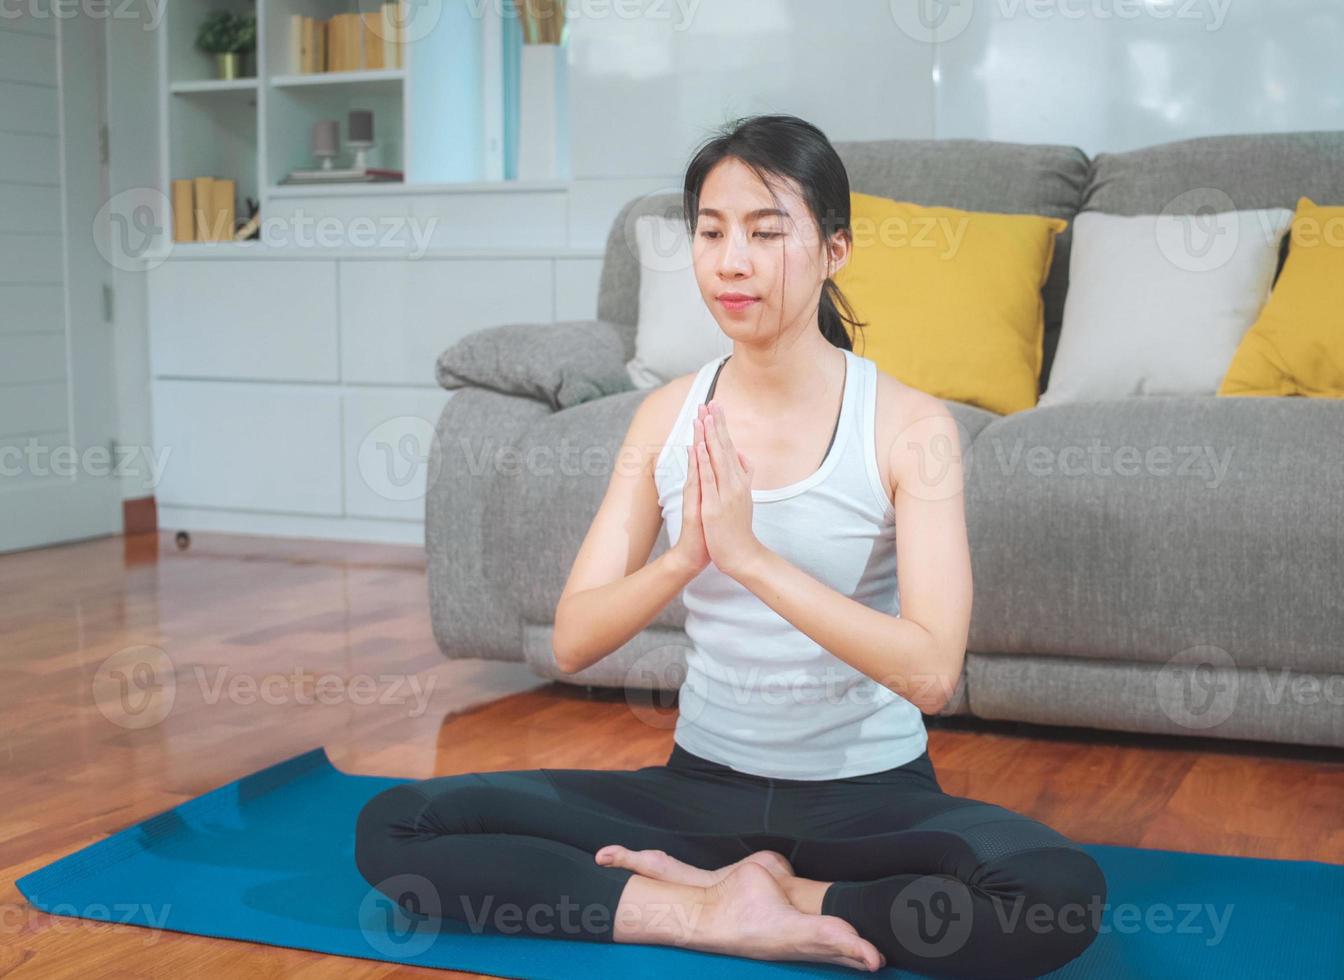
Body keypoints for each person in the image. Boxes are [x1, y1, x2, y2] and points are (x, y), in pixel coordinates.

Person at [353, 113, 1106, 978]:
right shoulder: (666, 417)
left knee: (1054, 892)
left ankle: (788, 899)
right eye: (711, 233)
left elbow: (932, 673)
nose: (731, 261)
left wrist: (751, 558)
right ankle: (705, 913)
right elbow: (572, 638)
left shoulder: (908, 426)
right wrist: (685, 559)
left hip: (869, 805)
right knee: (398, 826)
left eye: (765, 231)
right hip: (697, 791)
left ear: (835, 250)